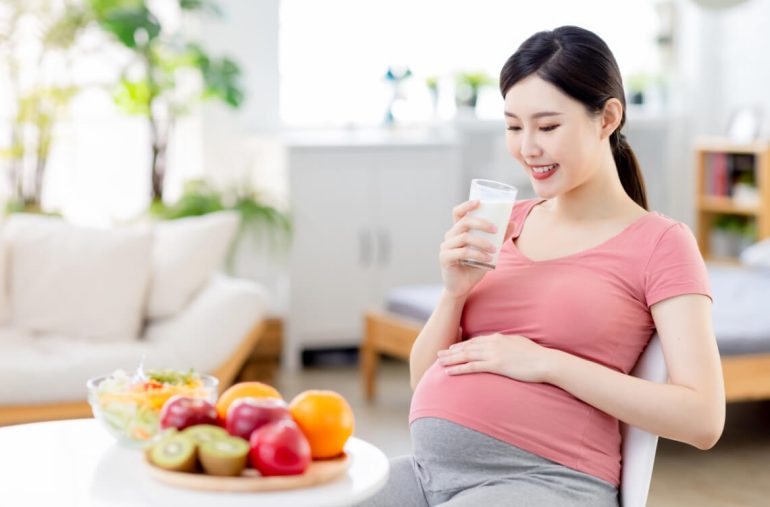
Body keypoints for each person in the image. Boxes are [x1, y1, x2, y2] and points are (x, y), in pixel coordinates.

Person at [359, 25, 725, 507]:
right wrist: (454, 293)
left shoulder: (662, 243)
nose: (527, 147)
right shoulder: (503, 223)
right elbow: (423, 378)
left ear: (607, 117)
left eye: (547, 126)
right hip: (428, 474)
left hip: (545, 482)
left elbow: (703, 419)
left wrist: (545, 362)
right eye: (514, 126)